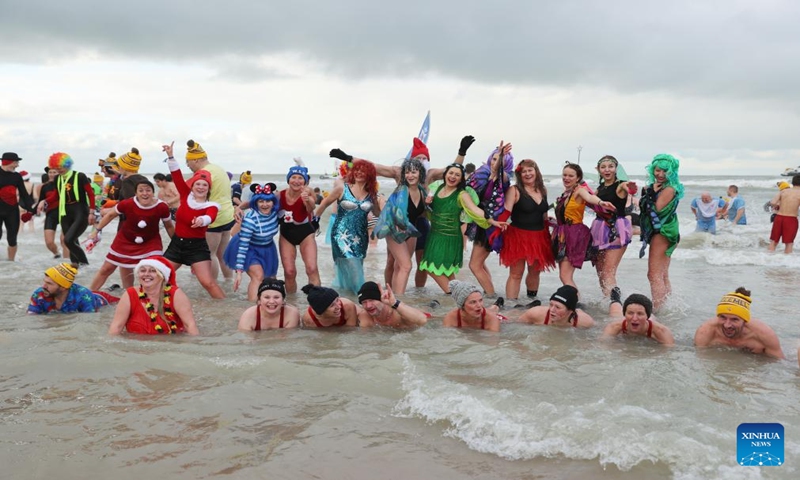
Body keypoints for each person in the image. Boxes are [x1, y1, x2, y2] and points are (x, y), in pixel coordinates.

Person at [419, 163, 500, 294]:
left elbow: (474, 210)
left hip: (450, 237)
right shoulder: (436, 188)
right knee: (447, 272)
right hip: (434, 235)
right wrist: (428, 203)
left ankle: (459, 296)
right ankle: (457, 303)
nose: (453, 176)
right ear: (445, 175)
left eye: (457, 175)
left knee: (430, 268)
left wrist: (490, 220)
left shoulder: (462, 194)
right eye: (451, 173)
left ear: (461, 178)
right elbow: (431, 212)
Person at [163, 142, 226, 299]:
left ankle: (225, 310)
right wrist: (170, 156)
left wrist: (202, 220)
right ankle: (147, 304)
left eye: (204, 185)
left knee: (208, 283)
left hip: (196, 248)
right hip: (177, 245)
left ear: (208, 188)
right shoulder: (185, 195)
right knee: (159, 276)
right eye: (197, 184)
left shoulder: (211, 206)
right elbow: (177, 176)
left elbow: (210, 217)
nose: (200, 187)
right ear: (193, 186)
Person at [87, 178, 174, 291]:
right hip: (124, 240)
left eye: (148, 190)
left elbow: (169, 226)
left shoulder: (161, 207)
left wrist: (177, 242)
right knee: (106, 269)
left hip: (150, 242)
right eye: (141, 190)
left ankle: (154, 298)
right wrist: (96, 231)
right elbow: (110, 215)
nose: (145, 193)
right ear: (136, 193)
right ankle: (90, 294)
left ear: (153, 193)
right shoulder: (127, 203)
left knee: (154, 270)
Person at [315, 160, 379, 294]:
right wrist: (315, 221)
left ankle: (347, 297)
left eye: (363, 171)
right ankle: (362, 297)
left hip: (360, 236)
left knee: (357, 267)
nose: (359, 173)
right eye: (357, 170)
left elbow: (378, 213)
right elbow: (324, 204)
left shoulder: (372, 194)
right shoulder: (342, 189)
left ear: (370, 175)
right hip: (341, 235)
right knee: (353, 266)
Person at [499, 159, 555, 307]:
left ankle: (532, 301)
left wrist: (550, 222)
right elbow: (506, 212)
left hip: (539, 236)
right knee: (516, 273)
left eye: (530, 170)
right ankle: (511, 305)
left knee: (535, 271)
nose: (528, 173)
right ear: (519, 174)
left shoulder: (543, 190)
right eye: (524, 171)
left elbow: (543, 214)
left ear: (536, 171)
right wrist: (495, 224)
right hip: (518, 236)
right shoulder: (515, 190)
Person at [552, 163, 615, 294]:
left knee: (565, 276)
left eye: (571, 176)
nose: (566, 178)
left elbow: (590, 197)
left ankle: (574, 304)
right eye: (564, 175)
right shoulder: (565, 193)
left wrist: (600, 202)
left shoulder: (579, 190)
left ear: (578, 177)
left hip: (574, 234)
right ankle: (574, 303)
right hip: (563, 234)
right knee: (564, 276)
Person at [370, 156, 428, 295]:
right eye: (407, 172)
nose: (410, 175)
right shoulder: (402, 190)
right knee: (406, 266)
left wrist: (430, 203)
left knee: (399, 266)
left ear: (420, 173)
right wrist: (380, 201)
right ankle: (399, 301)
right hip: (394, 230)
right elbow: (393, 214)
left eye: (414, 172)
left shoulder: (421, 190)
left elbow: (421, 213)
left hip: (411, 231)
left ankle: (394, 296)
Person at [465, 142, 514, 301]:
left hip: (491, 224)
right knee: (480, 263)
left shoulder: (504, 178)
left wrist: (500, 157)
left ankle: (492, 297)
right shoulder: (482, 173)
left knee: (474, 265)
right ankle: (490, 292)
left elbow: (498, 172)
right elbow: (468, 191)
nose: (494, 163)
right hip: (480, 222)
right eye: (493, 159)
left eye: (499, 160)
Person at [184, 140, 235, 281]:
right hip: (227, 215)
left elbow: (186, 192)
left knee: (209, 254)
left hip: (214, 218)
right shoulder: (218, 168)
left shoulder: (203, 173)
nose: (187, 165)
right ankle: (228, 281)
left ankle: (211, 286)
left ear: (197, 160)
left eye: (188, 162)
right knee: (222, 253)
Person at [108, 255, 199, 335]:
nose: (146, 274)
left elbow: (190, 326)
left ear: (162, 276)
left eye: (152, 271)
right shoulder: (129, 295)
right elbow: (117, 327)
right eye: (142, 271)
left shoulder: (176, 294)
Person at [639, 154, 684, 310]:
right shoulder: (664, 187)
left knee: (653, 275)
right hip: (668, 230)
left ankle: (657, 310)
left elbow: (655, 210)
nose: (660, 174)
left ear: (671, 172)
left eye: (665, 172)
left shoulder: (669, 189)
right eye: (657, 170)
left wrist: (650, 192)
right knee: (663, 274)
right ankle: (667, 306)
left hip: (664, 231)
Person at [590, 155, 636, 302]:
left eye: (610, 166)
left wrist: (631, 187)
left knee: (609, 270)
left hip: (617, 229)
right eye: (603, 167)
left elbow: (628, 187)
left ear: (616, 168)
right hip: (599, 229)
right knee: (600, 270)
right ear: (598, 170)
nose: (607, 169)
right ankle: (608, 300)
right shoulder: (600, 188)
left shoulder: (620, 185)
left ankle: (615, 304)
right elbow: (589, 199)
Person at [223, 183, 280, 301]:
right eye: (260, 201)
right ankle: (253, 308)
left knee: (270, 278)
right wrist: (239, 272)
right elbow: (243, 247)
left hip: (268, 248)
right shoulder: (250, 220)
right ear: (255, 203)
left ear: (273, 202)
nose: (264, 204)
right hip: (249, 248)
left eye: (267, 201)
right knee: (258, 277)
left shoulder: (275, 213)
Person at [694, 287, 784, 359]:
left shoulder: (764, 334)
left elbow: (778, 364)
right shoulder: (705, 331)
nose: (727, 325)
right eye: (723, 317)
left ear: (745, 321)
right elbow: (700, 360)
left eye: (734, 319)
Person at [276, 162, 320, 293]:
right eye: (293, 177)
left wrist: (307, 199)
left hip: (306, 233)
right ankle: (291, 304)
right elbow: (261, 205)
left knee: (311, 269)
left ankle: (318, 304)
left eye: (300, 178)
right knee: (289, 272)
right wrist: (240, 208)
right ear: (288, 179)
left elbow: (311, 208)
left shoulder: (307, 194)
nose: (296, 181)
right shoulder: (279, 195)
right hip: (286, 234)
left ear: (305, 182)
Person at [49, 152, 96, 267]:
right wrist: (43, 202)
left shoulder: (79, 176)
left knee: (68, 240)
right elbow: (56, 196)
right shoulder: (58, 179)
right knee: (73, 241)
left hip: (80, 210)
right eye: (56, 168)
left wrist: (91, 212)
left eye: (60, 167)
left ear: (67, 164)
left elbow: (90, 194)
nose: (58, 170)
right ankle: (75, 266)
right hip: (65, 212)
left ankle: (85, 264)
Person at [27, 263, 118, 314]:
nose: (44, 286)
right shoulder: (39, 294)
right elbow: (32, 319)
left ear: (63, 287)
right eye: (45, 282)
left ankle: (113, 289)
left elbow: (90, 322)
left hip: (102, 299)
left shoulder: (84, 296)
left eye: (49, 284)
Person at [0, 152, 36, 261]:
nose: (17, 165)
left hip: (12, 212)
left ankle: (10, 263)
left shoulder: (17, 176)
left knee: (12, 239)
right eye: (16, 162)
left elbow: (24, 194)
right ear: (9, 162)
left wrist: (30, 211)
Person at [603, 293, 675, 345]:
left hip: (650, 320)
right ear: (625, 314)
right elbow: (602, 345)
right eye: (630, 313)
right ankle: (615, 298)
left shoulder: (661, 331)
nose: (634, 318)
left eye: (640, 314)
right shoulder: (614, 327)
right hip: (622, 319)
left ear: (647, 316)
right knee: (615, 312)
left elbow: (669, 353)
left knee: (653, 316)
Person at [516, 285, 595, 328]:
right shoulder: (535, 313)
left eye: (557, 307)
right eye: (551, 304)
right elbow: (515, 323)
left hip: (579, 308)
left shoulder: (585, 321)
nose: (552, 310)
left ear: (570, 311)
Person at [356, 281, 428, 328]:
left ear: (381, 300)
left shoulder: (398, 312)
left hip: (426, 315)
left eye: (372, 300)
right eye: (364, 302)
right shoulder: (365, 316)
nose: (368, 306)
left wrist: (394, 303)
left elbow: (423, 320)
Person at [35, 166, 68, 258]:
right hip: (51, 215)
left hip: (66, 214)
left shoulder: (65, 184)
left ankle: (66, 263)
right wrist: (30, 213)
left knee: (64, 240)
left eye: (54, 172)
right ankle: (57, 254)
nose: (52, 174)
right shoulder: (45, 187)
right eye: (50, 172)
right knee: (49, 242)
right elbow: (40, 202)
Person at [767, 175, 800, 253]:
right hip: (791, 219)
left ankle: (768, 259)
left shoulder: (784, 191)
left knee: (774, 241)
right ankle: (785, 262)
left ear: (792, 182)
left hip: (779, 218)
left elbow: (773, 202)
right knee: (789, 243)